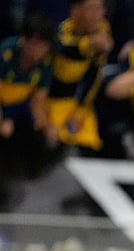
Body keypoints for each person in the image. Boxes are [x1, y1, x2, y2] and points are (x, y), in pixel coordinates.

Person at [46, 0, 113, 151]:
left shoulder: (102, 29)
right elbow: (64, 48)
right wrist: (87, 45)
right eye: (92, 9)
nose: (98, 16)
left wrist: (80, 111)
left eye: (101, 9)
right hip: (50, 99)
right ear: (75, 11)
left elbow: (94, 76)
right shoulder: (62, 30)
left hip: (78, 101)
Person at [0, 12, 58, 177]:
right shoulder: (5, 52)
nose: (37, 51)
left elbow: (39, 100)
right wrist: (4, 119)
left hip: (20, 107)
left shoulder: (46, 63)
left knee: (41, 134)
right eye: (33, 44)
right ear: (23, 40)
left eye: (43, 46)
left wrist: (47, 127)